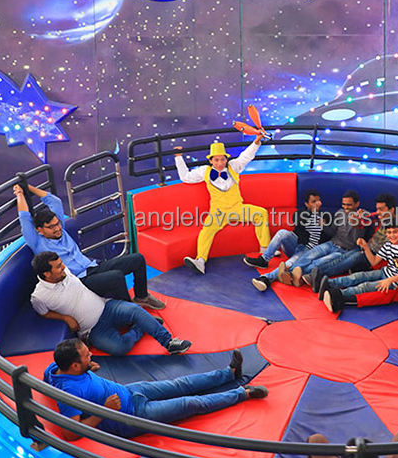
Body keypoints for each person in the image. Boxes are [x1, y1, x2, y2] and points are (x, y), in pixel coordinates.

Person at [44, 339, 268, 440]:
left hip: (130, 391)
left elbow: (49, 377)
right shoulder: (69, 392)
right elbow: (71, 433)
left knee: (182, 384)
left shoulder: (55, 369)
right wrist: (103, 410)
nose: (91, 355)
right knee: (190, 403)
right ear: (75, 366)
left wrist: (88, 367)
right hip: (132, 416)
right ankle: (243, 393)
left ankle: (230, 373)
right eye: (86, 356)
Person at [14, 179, 164, 310]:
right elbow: (24, 217)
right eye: (51, 227)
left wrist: (28, 187)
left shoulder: (61, 229)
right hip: (79, 281)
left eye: (57, 224)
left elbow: (54, 201)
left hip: (92, 267)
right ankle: (132, 313)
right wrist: (20, 193)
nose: (57, 228)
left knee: (137, 259)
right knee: (116, 277)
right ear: (39, 230)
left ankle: (141, 297)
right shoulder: (37, 242)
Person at [30, 251, 191, 355]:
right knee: (119, 348)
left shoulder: (65, 272)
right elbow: (44, 313)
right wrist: (65, 318)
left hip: (108, 307)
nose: (64, 267)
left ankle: (169, 342)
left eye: (61, 263)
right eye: (59, 266)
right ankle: (141, 326)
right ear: (47, 274)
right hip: (93, 329)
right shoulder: (39, 297)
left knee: (135, 310)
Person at [175, 134, 269, 275]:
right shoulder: (204, 171)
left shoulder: (233, 166)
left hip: (237, 208)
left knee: (261, 213)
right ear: (211, 160)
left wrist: (256, 142)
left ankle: (266, 250)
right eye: (216, 160)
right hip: (218, 212)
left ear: (226, 159)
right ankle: (200, 261)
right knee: (206, 231)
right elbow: (185, 177)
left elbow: (246, 156)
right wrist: (178, 157)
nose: (220, 163)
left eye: (223, 159)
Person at [304, 193, 398, 293]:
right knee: (344, 257)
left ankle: (318, 276)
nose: (378, 212)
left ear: (391, 210)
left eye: (381, 209)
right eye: (377, 209)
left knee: (354, 257)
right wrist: (357, 218)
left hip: (376, 257)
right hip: (366, 248)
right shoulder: (378, 217)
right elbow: (362, 221)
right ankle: (316, 274)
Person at [321, 222, 398, 313]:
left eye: (395, 232)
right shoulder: (388, 245)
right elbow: (374, 261)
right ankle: (330, 283)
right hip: (384, 272)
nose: (392, 235)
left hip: (394, 282)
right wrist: (366, 247)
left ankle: (337, 295)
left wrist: (389, 280)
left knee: (364, 286)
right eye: (389, 232)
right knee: (359, 276)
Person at [246, 189, 325, 290]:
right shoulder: (302, 213)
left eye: (318, 201)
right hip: (295, 245)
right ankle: (264, 259)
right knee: (282, 233)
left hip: (308, 250)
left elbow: (329, 233)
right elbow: (297, 220)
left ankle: (266, 278)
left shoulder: (325, 217)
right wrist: (314, 219)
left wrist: (324, 223)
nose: (317, 203)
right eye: (313, 201)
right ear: (307, 204)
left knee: (290, 262)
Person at [287, 190, 370, 285]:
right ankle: (288, 273)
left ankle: (294, 274)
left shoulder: (363, 217)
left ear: (357, 204)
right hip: (331, 243)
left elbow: (357, 240)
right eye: (344, 204)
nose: (345, 207)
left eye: (349, 205)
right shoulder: (340, 213)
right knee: (308, 256)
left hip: (343, 250)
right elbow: (332, 232)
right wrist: (323, 225)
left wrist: (356, 223)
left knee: (320, 262)